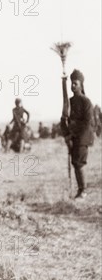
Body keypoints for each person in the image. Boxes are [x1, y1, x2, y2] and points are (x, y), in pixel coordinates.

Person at [61, 69, 94, 199]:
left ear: (81, 84)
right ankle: (80, 191)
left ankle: (83, 191)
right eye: (71, 83)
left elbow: (87, 123)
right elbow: (63, 120)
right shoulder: (69, 102)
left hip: (82, 137)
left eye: (75, 83)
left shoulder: (86, 102)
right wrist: (66, 135)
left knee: (79, 163)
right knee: (75, 163)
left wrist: (74, 132)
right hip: (72, 137)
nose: (73, 86)